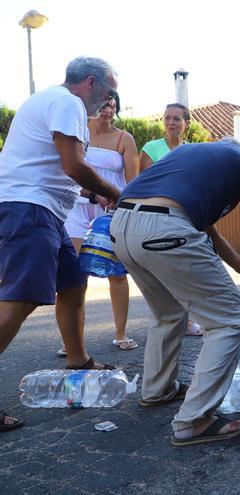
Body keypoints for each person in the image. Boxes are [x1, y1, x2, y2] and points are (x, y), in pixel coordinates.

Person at [109, 138, 240, 446]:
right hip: (164, 229)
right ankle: (193, 420)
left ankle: (157, 390)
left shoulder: (189, 157)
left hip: (121, 225)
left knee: (168, 314)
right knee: (228, 320)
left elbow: (208, 231)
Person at [0, 57, 122, 431]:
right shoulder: (68, 103)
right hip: (29, 210)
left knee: (72, 282)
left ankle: (78, 359)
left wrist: (93, 195)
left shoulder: (53, 101)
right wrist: (114, 192)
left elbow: (59, 171)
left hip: (43, 211)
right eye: (109, 91)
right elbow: (73, 165)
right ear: (90, 82)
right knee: (19, 301)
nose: (108, 100)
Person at [58, 96, 140, 353]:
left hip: (110, 211)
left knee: (117, 274)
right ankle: (71, 342)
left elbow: (133, 180)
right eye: (103, 104)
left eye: (113, 104)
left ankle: (120, 333)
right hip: (77, 209)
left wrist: (123, 203)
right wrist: (92, 194)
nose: (108, 109)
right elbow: (68, 170)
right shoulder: (79, 133)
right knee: (74, 275)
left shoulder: (124, 138)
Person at [138, 103, 204, 336]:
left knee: (185, 269)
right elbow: (145, 184)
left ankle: (184, 321)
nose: (171, 123)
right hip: (158, 216)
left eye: (177, 119)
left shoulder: (192, 151)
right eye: (167, 118)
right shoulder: (151, 148)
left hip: (185, 216)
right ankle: (169, 320)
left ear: (186, 123)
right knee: (164, 271)